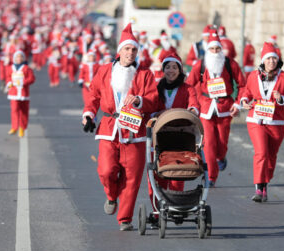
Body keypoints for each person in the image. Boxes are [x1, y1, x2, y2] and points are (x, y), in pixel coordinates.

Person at [82, 23, 158, 231]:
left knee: (132, 177)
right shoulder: (105, 70)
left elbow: (153, 100)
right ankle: (111, 195)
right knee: (106, 170)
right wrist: (88, 114)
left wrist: (139, 101)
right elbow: (93, 95)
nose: (130, 53)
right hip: (109, 128)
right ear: (120, 50)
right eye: (127, 49)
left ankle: (125, 218)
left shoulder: (145, 74)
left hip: (135, 131)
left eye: (134, 49)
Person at [231, 42, 284, 202]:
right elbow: (247, 92)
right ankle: (259, 188)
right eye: (268, 59)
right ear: (263, 60)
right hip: (256, 120)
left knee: (271, 156)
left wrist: (282, 98)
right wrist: (244, 101)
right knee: (261, 153)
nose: (272, 61)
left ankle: (265, 181)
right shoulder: (253, 76)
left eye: (274, 58)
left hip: (276, 122)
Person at [187, 30, 245, 187]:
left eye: (217, 49)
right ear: (207, 50)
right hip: (206, 107)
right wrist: (193, 103)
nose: (215, 52)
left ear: (221, 49)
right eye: (212, 49)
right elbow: (189, 85)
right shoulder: (200, 64)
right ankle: (211, 177)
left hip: (225, 107)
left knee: (222, 142)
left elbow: (243, 85)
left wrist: (238, 103)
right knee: (208, 143)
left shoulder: (230, 64)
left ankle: (221, 157)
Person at [147, 52, 199, 226]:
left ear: (180, 70)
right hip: (160, 136)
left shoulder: (188, 88)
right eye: (167, 67)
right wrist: (157, 114)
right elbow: (150, 108)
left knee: (178, 170)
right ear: (163, 69)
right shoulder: (156, 88)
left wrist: (191, 111)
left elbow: (194, 105)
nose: (171, 71)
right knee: (157, 173)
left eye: (174, 67)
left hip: (181, 134)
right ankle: (156, 211)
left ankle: (177, 207)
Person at [5, 50, 35, 138]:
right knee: (14, 110)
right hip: (13, 93)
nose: (19, 59)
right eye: (17, 57)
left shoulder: (26, 68)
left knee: (24, 111)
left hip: (23, 93)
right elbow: (8, 77)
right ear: (14, 58)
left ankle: (22, 128)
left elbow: (32, 78)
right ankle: (14, 127)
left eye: (20, 57)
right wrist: (9, 83)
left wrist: (23, 82)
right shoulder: (11, 68)